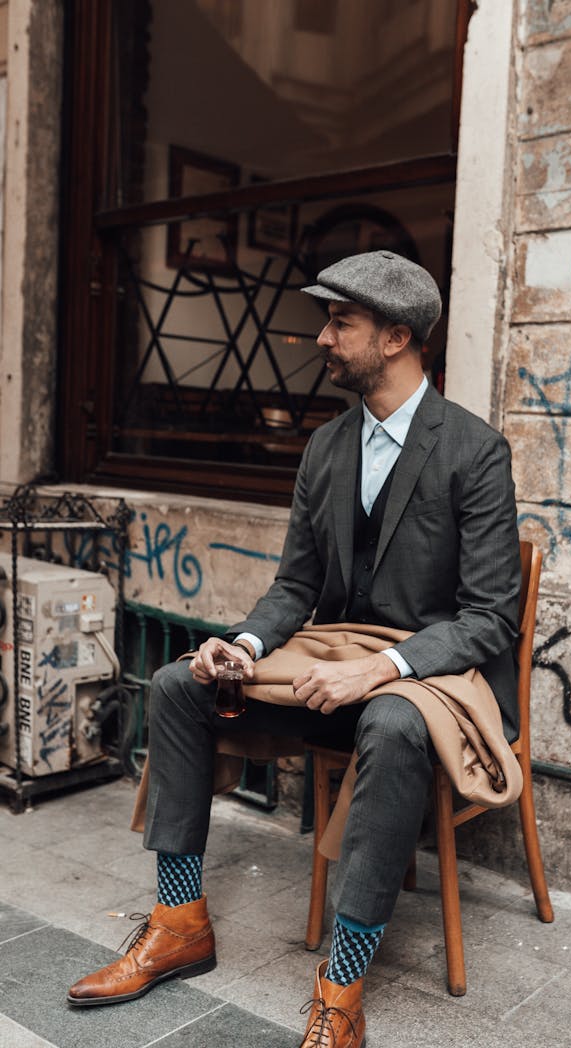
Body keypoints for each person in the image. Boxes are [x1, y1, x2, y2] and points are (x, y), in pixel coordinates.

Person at [67, 250, 521, 1048]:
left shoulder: (473, 452)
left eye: (340, 322)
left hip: (420, 685)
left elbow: (491, 618)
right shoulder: (325, 447)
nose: (322, 337)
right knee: (178, 685)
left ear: (396, 337)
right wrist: (242, 643)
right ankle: (178, 924)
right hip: (324, 676)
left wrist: (380, 670)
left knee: (392, 722)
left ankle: (341, 990)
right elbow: (294, 587)